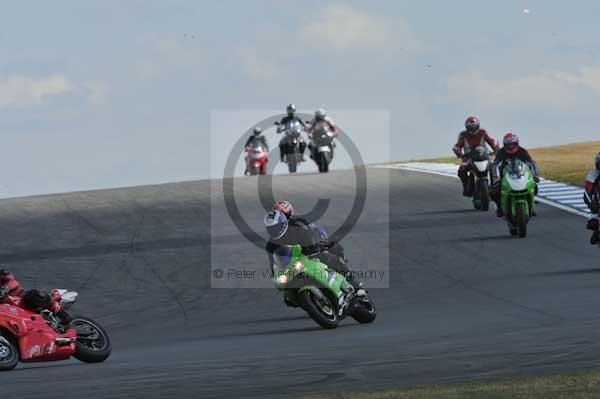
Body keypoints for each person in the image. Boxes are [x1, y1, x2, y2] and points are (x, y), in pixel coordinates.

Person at [264, 207, 365, 305]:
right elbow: (273, 262)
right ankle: (310, 301)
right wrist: (276, 276)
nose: (274, 231)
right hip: (293, 264)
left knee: (334, 260)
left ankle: (357, 287)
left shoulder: (297, 224)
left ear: (283, 223)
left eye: (276, 227)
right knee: (288, 298)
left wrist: (315, 247)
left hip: (310, 252)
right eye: (271, 229)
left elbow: (311, 234)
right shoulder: (271, 244)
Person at [491, 133, 540, 217]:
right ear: (505, 145)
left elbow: (532, 163)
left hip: (520, 173)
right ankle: (499, 207)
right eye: (508, 145)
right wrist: (496, 179)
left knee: (534, 186)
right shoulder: (501, 152)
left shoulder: (522, 151)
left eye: (512, 144)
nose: (510, 147)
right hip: (504, 175)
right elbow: (495, 165)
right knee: (495, 191)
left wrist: (535, 175)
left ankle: (532, 203)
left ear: (516, 143)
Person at [453, 116, 499, 196]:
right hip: (468, 158)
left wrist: (495, 148)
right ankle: (466, 186)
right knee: (461, 170)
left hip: (483, 156)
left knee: (493, 166)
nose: (472, 129)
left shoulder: (483, 132)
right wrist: (458, 152)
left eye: (474, 127)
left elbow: (491, 141)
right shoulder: (463, 135)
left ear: (478, 126)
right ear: (467, 127)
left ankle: (494, 186)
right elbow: (458, 145)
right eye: (470, 127)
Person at [584, 153, 600, 244]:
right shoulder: (593, 174)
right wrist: (592, 204)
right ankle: (596, 229)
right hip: (596, 200)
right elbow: (587, 191)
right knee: (592, 224)